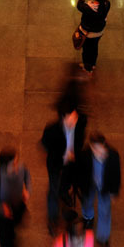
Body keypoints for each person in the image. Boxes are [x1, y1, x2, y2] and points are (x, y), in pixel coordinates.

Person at [41, 99, 86, 235]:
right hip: (56, 164)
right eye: (72, 117)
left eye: (76, 115)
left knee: (67, 182)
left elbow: (80, 139)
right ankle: (53, 218)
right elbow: (45, 144)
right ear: (63, 118)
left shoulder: (81, 122)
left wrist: (74, 154)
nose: (75, 119)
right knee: (54, 189)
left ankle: (64, 192)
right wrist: (63, 155)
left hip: (72, 162)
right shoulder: (52, 130)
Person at [78, 132, 120, 247]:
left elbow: (117, 175)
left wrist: (114, 191)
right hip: (89, 185)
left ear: (104, 144)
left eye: (100, 148)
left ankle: (103, 237)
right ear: (91, 147)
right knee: (87, 203)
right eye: (95, 149)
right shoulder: (85, 154)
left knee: (105, 210)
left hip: (105, 187)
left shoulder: (113, 155)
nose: (98, 152)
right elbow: (80, 172)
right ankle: (88, 218)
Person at [76, 0, 110, 72]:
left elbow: (79, 5)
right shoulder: (107, 4)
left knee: (86, 51)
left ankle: (87, 68)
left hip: (88, 33)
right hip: (99, 32)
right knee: (94, 48)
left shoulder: (88, 8)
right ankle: (93, 64)